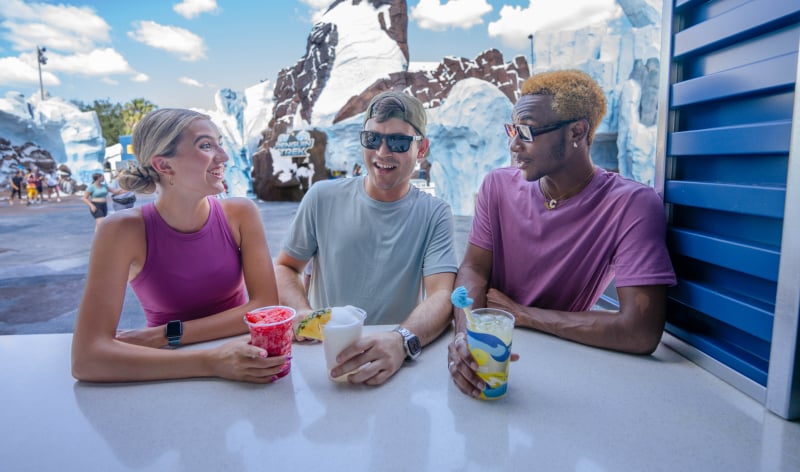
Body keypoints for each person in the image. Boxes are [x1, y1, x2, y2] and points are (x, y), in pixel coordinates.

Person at [447, 70, 677, 398]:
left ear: (577, 132)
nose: (514, 144)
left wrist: (523, 315)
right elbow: (472, 268)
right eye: (512, 130)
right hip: (491, 348)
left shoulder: (632, 205)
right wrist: (463, 336)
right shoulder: (497, 186)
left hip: (568, 365)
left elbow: (640, 332)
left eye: (526, 131)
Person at [71, 108, 283, 383]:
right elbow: (86, 359)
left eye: (220, 143)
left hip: (242, 360)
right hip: (168, 370)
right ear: (164, 165)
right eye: (206, 145)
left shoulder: (242, 213)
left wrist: (166, 334)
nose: (224, 156)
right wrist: (210, 362)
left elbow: (265, 306)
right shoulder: (120, 231)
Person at [275, 91, 458, 386]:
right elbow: (286, 267)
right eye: (372, 139)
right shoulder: (322, 197)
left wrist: (401, 342)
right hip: (323, 360)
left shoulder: (434, 214)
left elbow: (441, 295)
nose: (382, 152)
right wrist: (301, 312)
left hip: (392, 366)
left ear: (421, 148)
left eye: (398, 142)